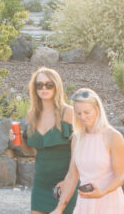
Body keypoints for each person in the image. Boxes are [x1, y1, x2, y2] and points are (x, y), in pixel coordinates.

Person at [11, 68, 76, 214]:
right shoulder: (31, 115)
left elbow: (78, 154)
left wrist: (68, 181)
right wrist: (20, 140)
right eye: (39, 85)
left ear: (57, 86)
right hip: (41, 182)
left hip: (65, 181)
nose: (44, 88)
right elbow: (32, 151)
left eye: (49, 84)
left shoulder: (68, 113)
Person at [54, 88, 124, 214]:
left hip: (109, 204)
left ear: (97, 109)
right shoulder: (76, 138)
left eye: (87, 112)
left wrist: (101, 192)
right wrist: (59, 209)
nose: (82, 117)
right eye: (78, 113)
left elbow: (119, 178)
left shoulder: (114, 137)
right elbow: (72, 175)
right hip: (85, 204)